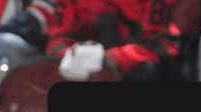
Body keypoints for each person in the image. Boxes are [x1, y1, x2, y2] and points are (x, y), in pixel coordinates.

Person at [46, 0, 179, 81]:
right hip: (87, 67)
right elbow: (58, 38)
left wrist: (112, 57)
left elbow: (163, 44)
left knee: (146, 72)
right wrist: (70, 55)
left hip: (138, 66)